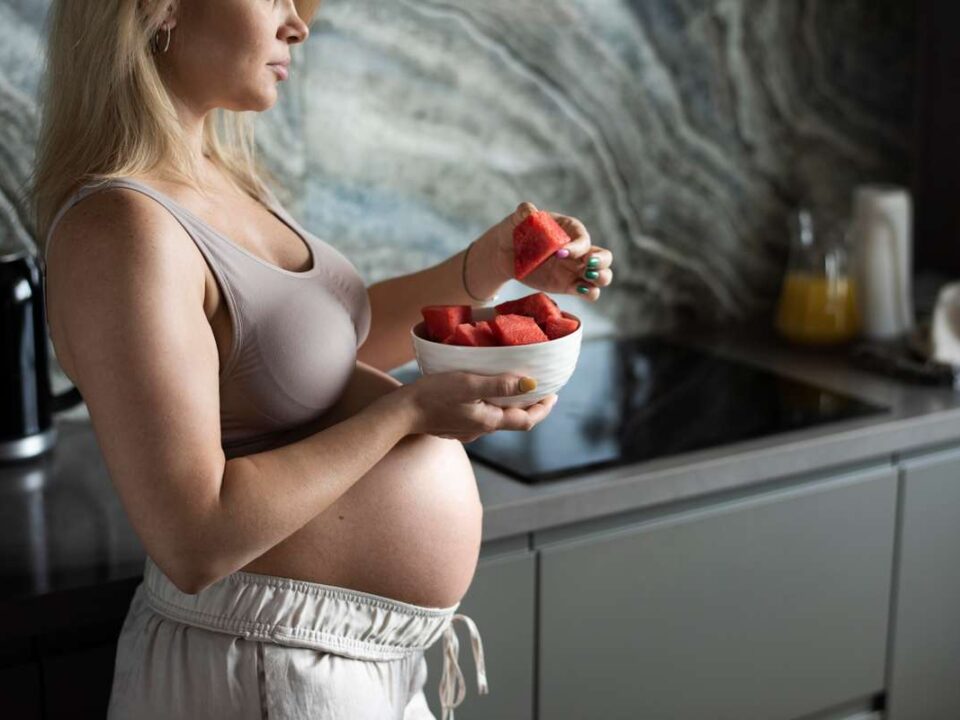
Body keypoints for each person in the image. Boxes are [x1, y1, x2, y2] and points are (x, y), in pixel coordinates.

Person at [31, 0, 615, 718]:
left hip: (339, 664)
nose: (298, 25)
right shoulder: (118, 230)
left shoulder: (218, 178)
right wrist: (407, 414)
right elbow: (194, 538)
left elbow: (304, 369)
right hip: (260, 670)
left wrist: (486, 265)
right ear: (162, 8)